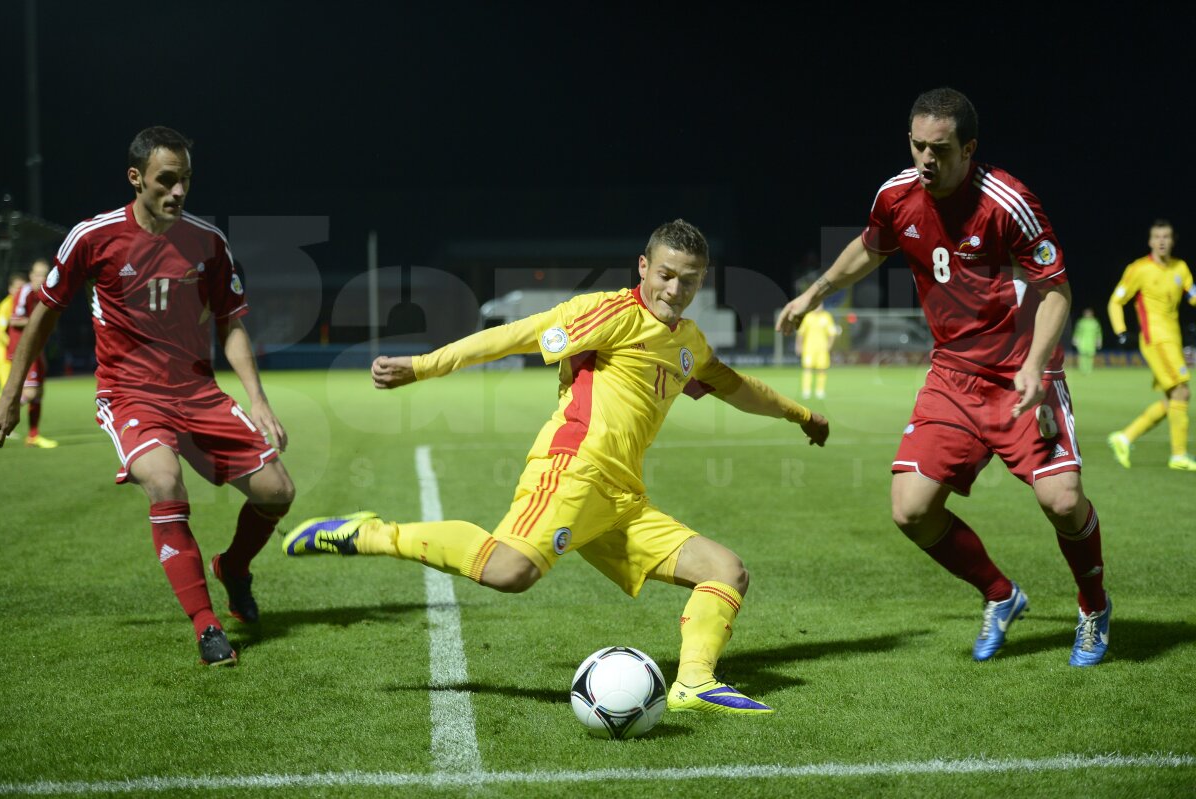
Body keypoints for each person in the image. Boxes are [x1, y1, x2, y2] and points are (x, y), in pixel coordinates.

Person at [284, 219, 829, 714]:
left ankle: (694, 684)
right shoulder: (612, 313)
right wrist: (424, 365)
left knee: (726, 571)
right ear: (643, 267)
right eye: (666, 275)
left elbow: (736, 385)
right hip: (573, 470)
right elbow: (516, 334)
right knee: (509, 572)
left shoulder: (688, 342)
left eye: (689, 281)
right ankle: (371, 533)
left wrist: (800, 414)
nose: (674, 290)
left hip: (622, 500)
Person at [777, 87, 1111, 667]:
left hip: (1020, 372)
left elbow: (1057, 290)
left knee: (1062, 501)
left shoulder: (1008, 202)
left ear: (969, 149)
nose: (926, 159)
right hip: (953, 375)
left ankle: (1094, 607)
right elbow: (870, 247)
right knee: (910, 509)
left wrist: (1035, 365)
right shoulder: (896, 196)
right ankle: (1000, 594)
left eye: (940, 149)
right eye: (917, 146)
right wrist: (815, 293)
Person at [0, 126, 296, 667]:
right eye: (166, 180)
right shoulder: (93, 237)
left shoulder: (208, 242)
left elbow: (230, 322)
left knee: (277, 492)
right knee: (162, 479)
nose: (178, 191)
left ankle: (233, 567)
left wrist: (258, 400)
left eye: (186, 180)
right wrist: (11, 394)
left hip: (198, 392)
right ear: (136, 178)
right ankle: (207, 626)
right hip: (130, 394)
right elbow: (44, 312)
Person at [1106, 220, 1196, 471]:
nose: (1162, 241)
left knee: (1173, 400)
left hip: (1173, 340)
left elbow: (1193, 295)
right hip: (1155, 339)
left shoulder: (1180, 268)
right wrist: (1121, 331)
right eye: (1157, 237)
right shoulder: (1139, 269)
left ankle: (1124, 437)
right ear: (1150, 241)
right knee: (1182, 391)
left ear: (1173, 240)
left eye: (1166, 236)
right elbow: (1115, 301)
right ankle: (1178, 455)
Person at [6, 260, 58, 447]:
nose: (41, 278)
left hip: (36, 349)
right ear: (31, 275)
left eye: (45, 274)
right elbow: (15, 320)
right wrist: (37, 321)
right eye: (37, 274)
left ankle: (33, 435)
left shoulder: (44, 295)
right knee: (29, 392)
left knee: (38, 392)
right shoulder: (25, 292)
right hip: (22, 349)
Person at [795, 302, 839, 399]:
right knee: (807, 369)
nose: (818, 307)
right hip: (809, 348)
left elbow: (832, 333)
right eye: (817, 305)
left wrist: (829, 346)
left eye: (820, 305)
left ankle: (820, 391)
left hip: (822, 349)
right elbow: (801, 333)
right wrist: (799, 346)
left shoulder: (827, 317)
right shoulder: (807, 317)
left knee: (822, 369)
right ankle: (806, 391)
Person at [0, 272, 28, 398]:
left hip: (16, 356)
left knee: (16, 393)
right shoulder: (6, 305)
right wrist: (12, 344)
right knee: (8, 393)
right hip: (4, 356)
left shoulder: (22, 305)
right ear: (10, 289)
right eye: (17, 288)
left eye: (22, 288)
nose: (20, 291)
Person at [1070, 308, 1102, 376]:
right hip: (1082, 342)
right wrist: (1075, 339)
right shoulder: (1081, 322)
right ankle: (1083, 370)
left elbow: (1099, 333)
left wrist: (1099, 341)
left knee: (1090, 357)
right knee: (1082, 357)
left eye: (1089, 314)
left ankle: (1089, 370)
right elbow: (1077, 332)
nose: (1088, 315)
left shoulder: (1095, 322)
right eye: (1087, 314)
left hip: (1091, 342)